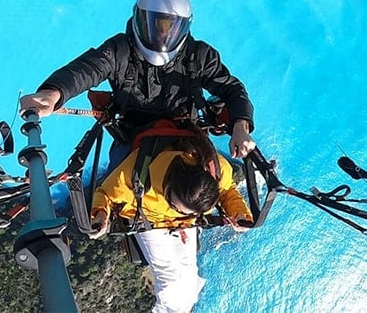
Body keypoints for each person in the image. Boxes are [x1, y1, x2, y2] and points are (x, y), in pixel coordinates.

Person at [19, 0, 256, 160]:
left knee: (212, 182)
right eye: (155, 24)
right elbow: (87, 69)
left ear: (184, 27)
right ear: (139, 19)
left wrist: (240, 126)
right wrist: (54, 92)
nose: (162, 35)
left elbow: (232, 89)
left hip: (187, 135)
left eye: (170, 28)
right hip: (132, 137)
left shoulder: (199, 55)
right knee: (117, 190)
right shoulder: (119, 50)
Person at [88, 132, 251, 313]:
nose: (180, 211)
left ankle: (181, 309)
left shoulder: (214, 168)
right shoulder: (137, 172)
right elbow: (106, 194)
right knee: (169, 278)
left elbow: (227, 190)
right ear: (168, 189)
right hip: (149, 220)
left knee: (189, 275)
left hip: (185, 224)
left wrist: (239, 214)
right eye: (178, 207)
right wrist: (101, 214)